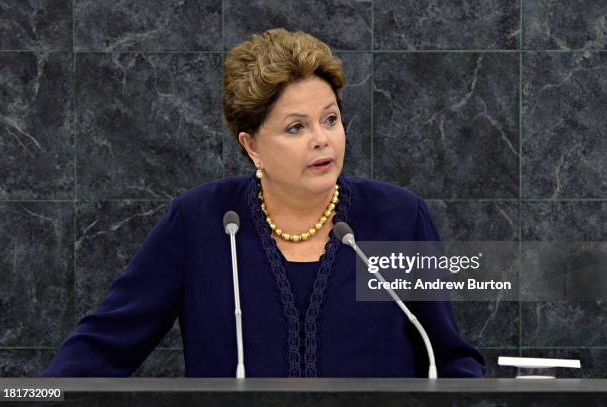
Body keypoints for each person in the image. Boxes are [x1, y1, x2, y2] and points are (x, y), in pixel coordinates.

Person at [43, 28, 485, 378]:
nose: (322, 139)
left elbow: (448, 356)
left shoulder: (398, 218)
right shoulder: (202, 222)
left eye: (330, 119)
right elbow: (104, 345)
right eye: (296, 127)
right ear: (252, 145)